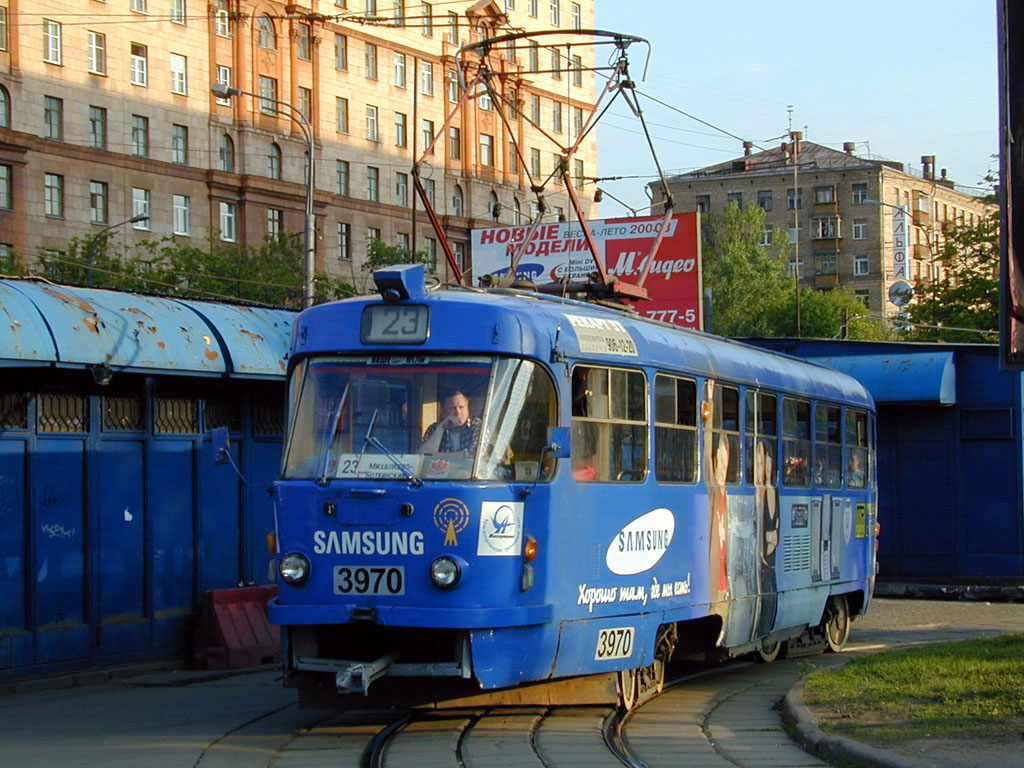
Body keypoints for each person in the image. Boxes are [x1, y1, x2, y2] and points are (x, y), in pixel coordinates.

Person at [421, 390, 481, 455]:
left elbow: (474, 454)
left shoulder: (478, 425)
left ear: (468, 409)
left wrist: (437, 456)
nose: (458, 412)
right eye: (452, 408)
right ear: (444, 411)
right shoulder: (434, 428)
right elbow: (424, 455)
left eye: (461, 407)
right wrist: (440, 428)